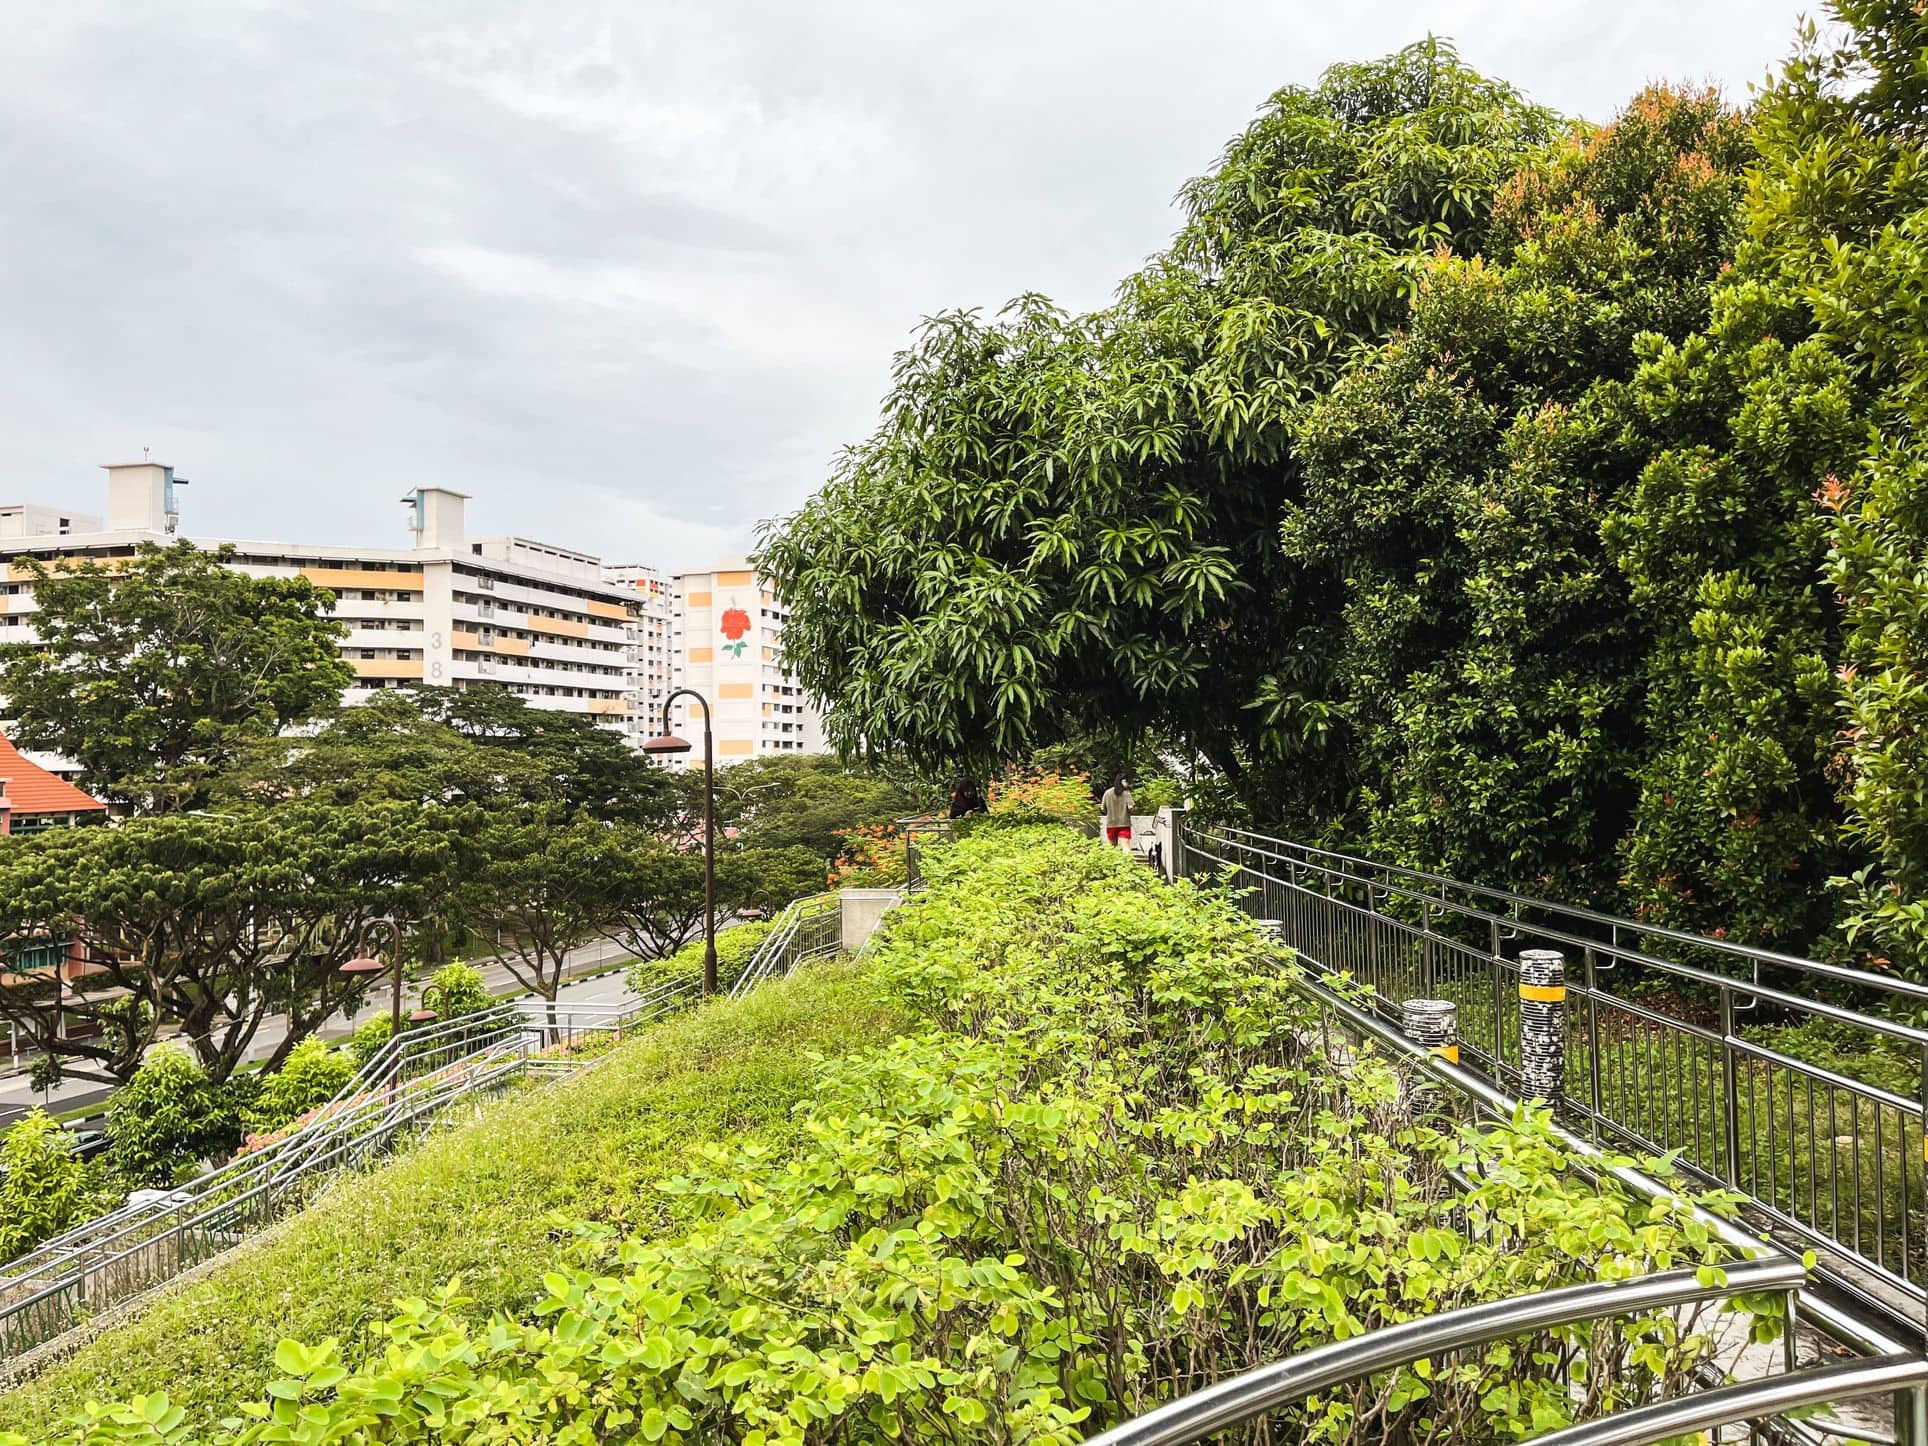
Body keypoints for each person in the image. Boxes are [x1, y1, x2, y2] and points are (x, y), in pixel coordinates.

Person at [1100, 774, 1134, 852]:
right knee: (1125, 845)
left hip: (1111, 823)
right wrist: (1128, 810)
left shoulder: (1107, 793)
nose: (1128, 784)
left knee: (1111, 846)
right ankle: (1127, 862)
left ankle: (1112, 862)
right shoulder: (1126, 793)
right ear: (1121, 781)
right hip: (1124, 823)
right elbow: (1130, 807)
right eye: (1126, 781)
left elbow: (1102, 808)